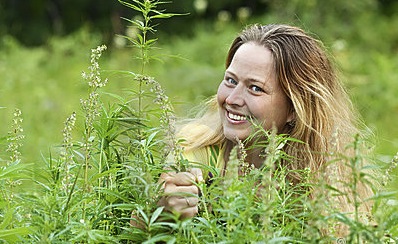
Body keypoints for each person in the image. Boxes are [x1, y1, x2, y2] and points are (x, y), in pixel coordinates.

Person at [156, 23, 374, 235]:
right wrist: (161, 215)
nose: (232, 99)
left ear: (295, 108)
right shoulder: (195, 153)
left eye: (255, 88)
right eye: (231, 80)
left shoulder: (321, 178)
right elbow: (135, 234)